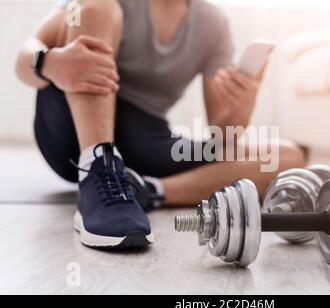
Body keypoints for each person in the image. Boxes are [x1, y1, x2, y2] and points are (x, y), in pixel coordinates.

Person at [15, 0, 306, 249]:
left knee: (286, 156)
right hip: (71, 125)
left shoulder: (213, 23)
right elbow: (24, 57)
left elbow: (221, 137)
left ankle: (147, 191)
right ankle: (98, 164)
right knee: (97, 6)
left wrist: (244, 103)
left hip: (146, 139)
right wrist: (49, 62)